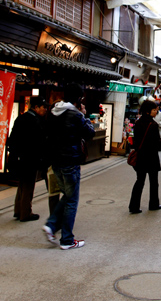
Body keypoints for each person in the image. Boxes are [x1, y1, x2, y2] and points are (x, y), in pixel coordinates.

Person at [42, 83, 95, 250]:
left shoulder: (52, 111)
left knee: (67, 195)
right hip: (70, 160)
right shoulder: (75, 114)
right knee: (71, 199)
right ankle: (66, 239)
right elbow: (90, 133)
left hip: (55, 160)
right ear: (79, 99)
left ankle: (51, 226)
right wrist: (84, 115)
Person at [8, 96, 48, 222]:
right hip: (30, 158)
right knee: (28, 185)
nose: (45, 109)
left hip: (19, 157)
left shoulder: (21, 118)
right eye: (43, 107)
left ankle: (18, 210)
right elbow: (39, 142)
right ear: (36, 107)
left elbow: (12, 138)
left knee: (22, 184)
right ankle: (25, 213)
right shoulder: (35, 121)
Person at [129, 100, 161, 213]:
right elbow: (157, 144)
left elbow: (135, 141)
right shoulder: (153, 125)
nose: (155, 112)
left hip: (140, 156)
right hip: (151, 157)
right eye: (154, 110)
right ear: (148, 111)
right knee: (153, 182)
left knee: (139, 181)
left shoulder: (137, 123)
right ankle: (153, 204)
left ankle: (133, 206)